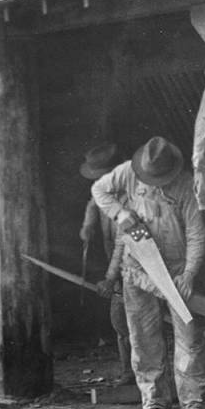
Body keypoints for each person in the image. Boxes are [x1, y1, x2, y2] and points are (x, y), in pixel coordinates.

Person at [91, 136, 205, 409]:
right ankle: (154, 402)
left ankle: (194, 404)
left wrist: (189, 274)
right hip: (136, 269)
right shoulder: (126, 174)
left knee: (189, 337)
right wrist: (120, 213)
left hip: (174, 272)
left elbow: (196, 233)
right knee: (143, 338)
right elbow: (99, 190)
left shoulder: (185, 185)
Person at [78, 143, 133, 386]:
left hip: (135, 265)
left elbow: (124, 241)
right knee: (120, 323)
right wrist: (88, 224)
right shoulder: (101, 192)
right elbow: (93, 202)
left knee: (135, 324)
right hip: (116, 265)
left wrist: (111, 277)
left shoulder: (131, 196)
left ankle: (143, 377)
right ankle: (128, 372)